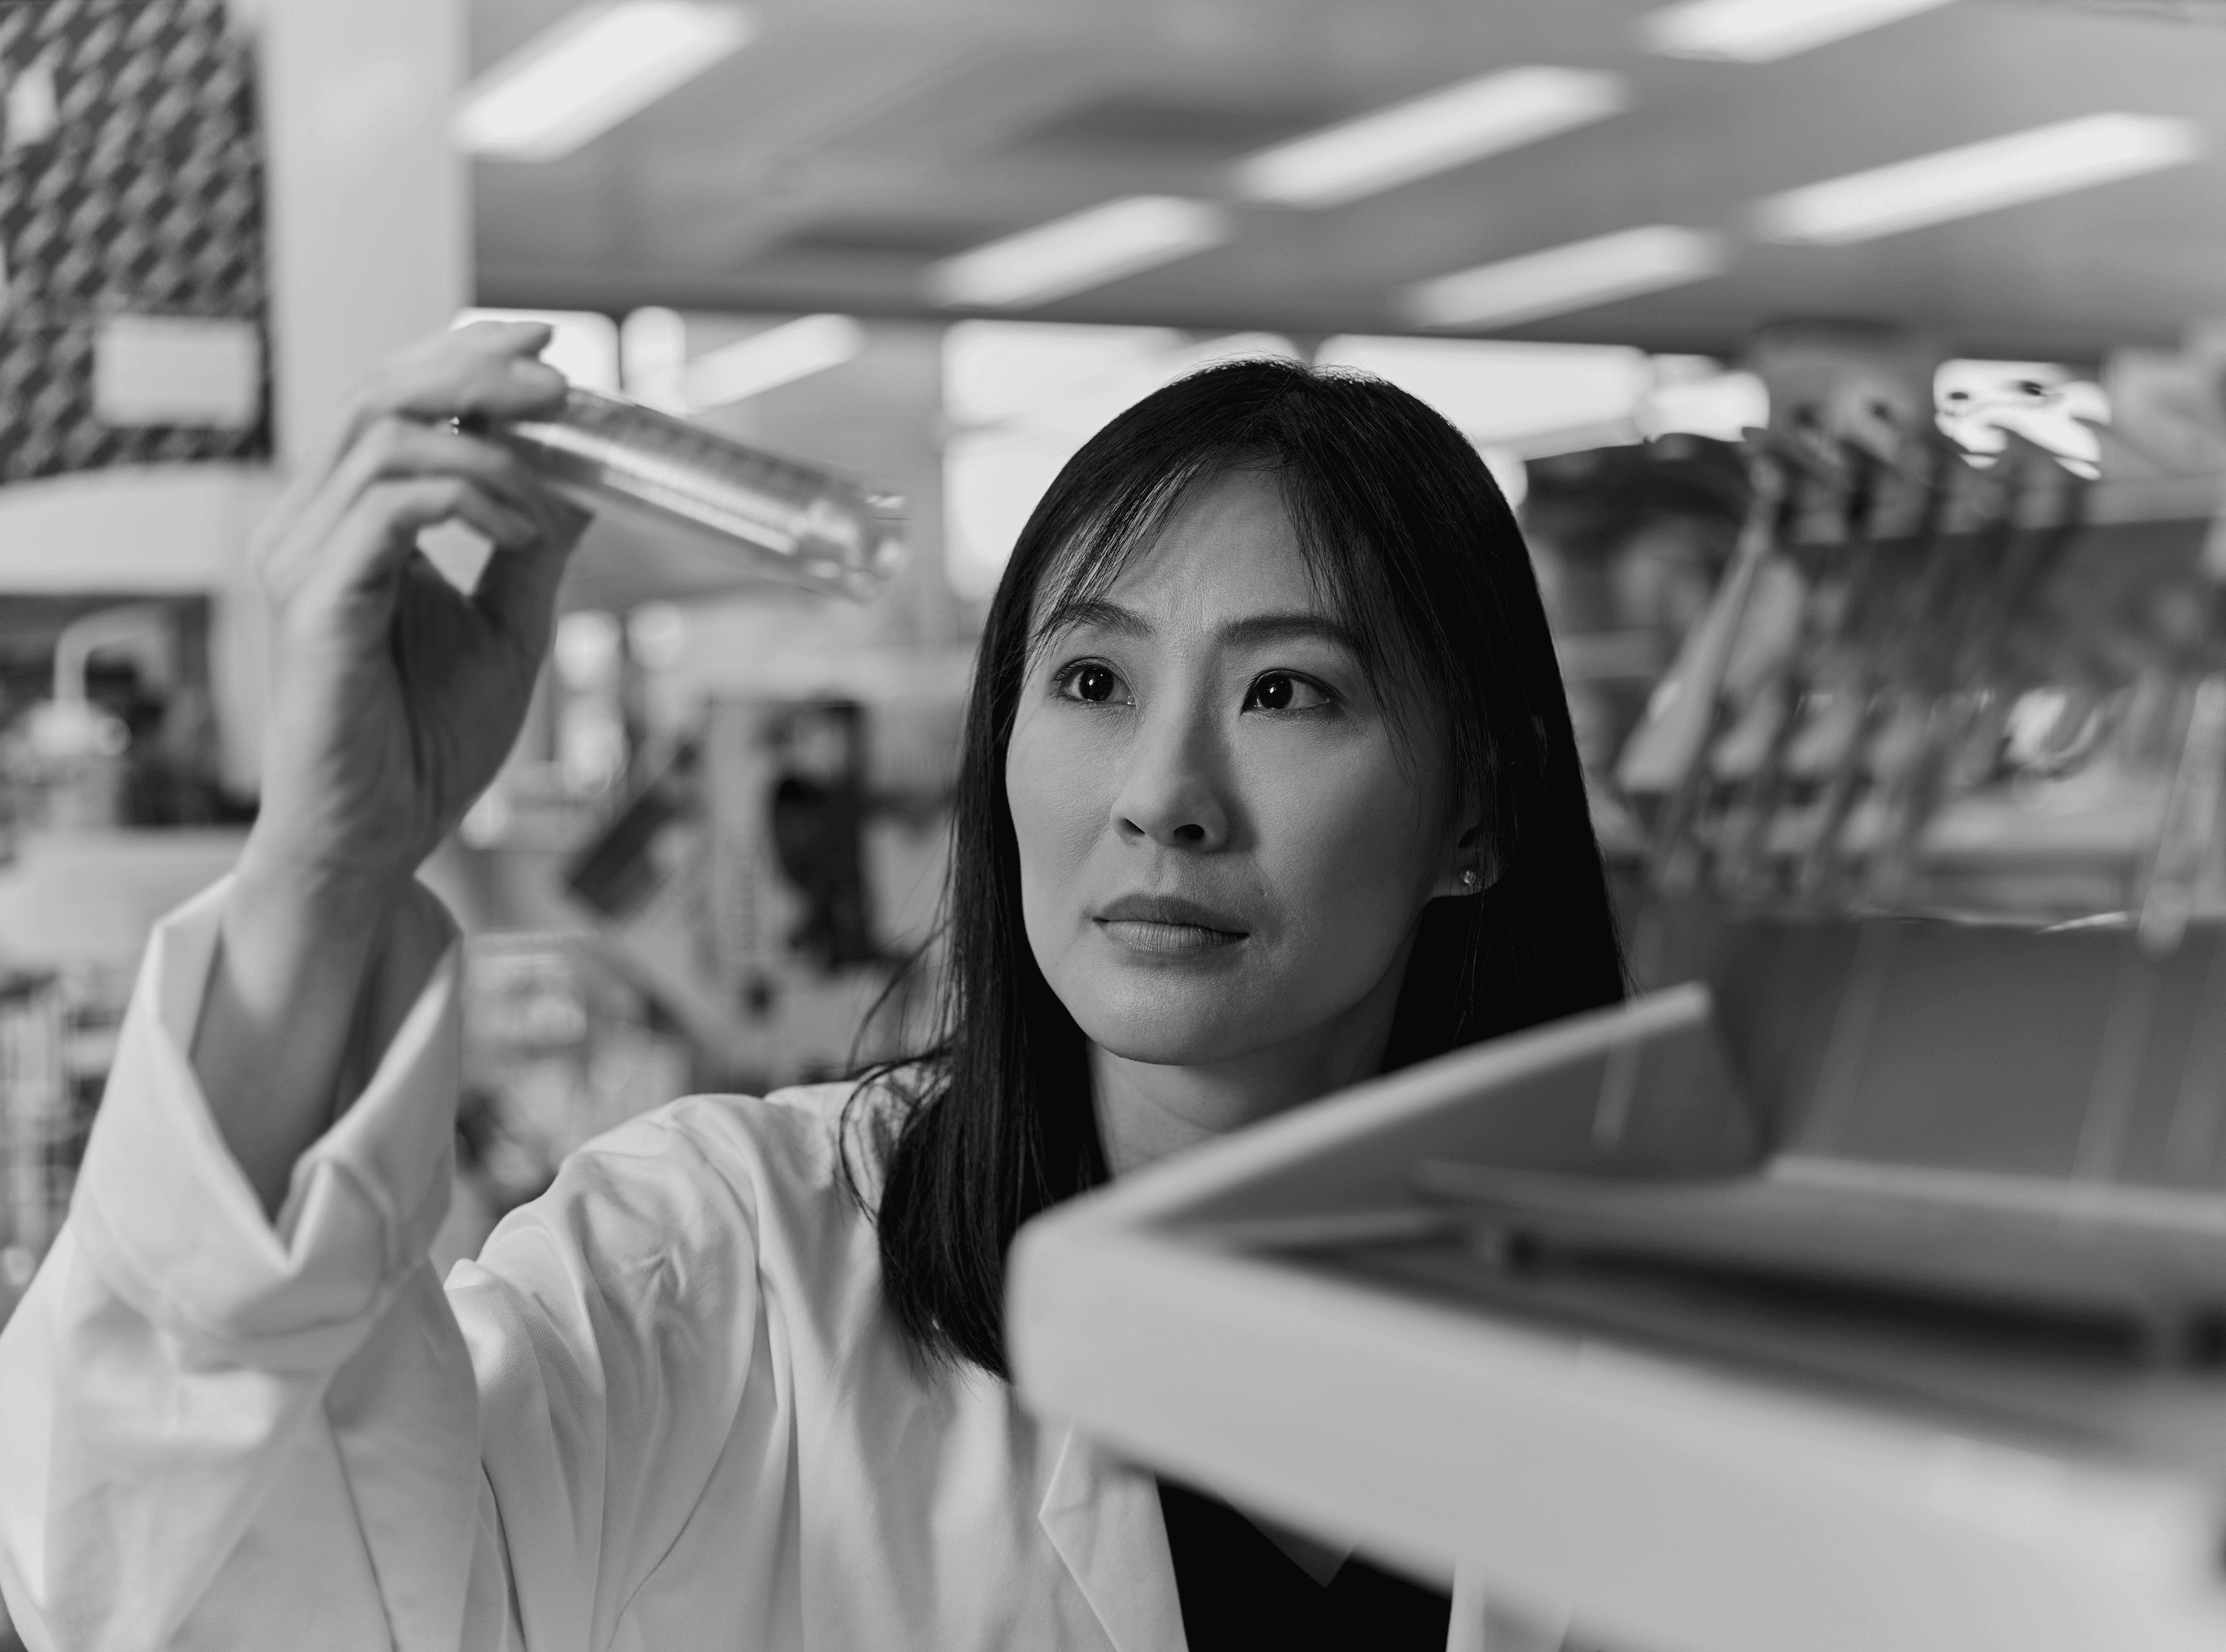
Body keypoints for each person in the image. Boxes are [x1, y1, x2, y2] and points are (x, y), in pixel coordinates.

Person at [0, 322, 1625, 1650]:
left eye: (1287, 689)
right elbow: (194, 1589)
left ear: (1475, 808)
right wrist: (325, 870)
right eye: (1090, 679)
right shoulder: (728, 1270)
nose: (1161, 790)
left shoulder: (1664, 1350)